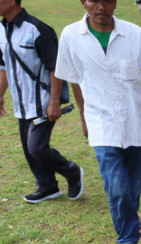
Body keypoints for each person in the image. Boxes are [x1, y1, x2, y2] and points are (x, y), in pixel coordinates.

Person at [55, 0, 141, 244]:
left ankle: (131, 220)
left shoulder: (135, 35)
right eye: (94, 0)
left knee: (134, 184)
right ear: (83, 2)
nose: (101, 6)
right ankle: (127, 239)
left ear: (115, 3)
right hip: (101, 124)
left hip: (134, 121)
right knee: (117, 185)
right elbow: (72, 78)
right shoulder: (71, 36)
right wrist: (82, 114)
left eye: (107, 0)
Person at [0, 0, 84, 204]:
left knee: (36, 146)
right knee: (29, 149)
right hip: (21, 103)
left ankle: (72, 172)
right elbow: (3, 66)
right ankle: (47, 186)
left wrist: (54, 102)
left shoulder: (38, 29)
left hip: (43, 101)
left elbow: (56, 68)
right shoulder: (2, 29)